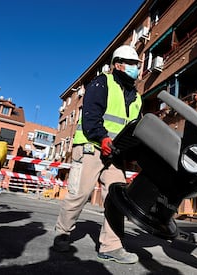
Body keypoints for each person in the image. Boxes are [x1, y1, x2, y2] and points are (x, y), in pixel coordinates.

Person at [53, 45, 142, 264]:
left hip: (115, 155)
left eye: (137, 65)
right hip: (91, 147)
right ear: (118, 64)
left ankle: (111, 246)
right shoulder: (102, 83)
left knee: (117, 199)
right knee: (80, 194)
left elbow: (134, 129)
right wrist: (102, 138)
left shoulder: (137, 97)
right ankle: (62, 233)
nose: (136, 69)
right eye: (132, 64)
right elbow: (91, 116)